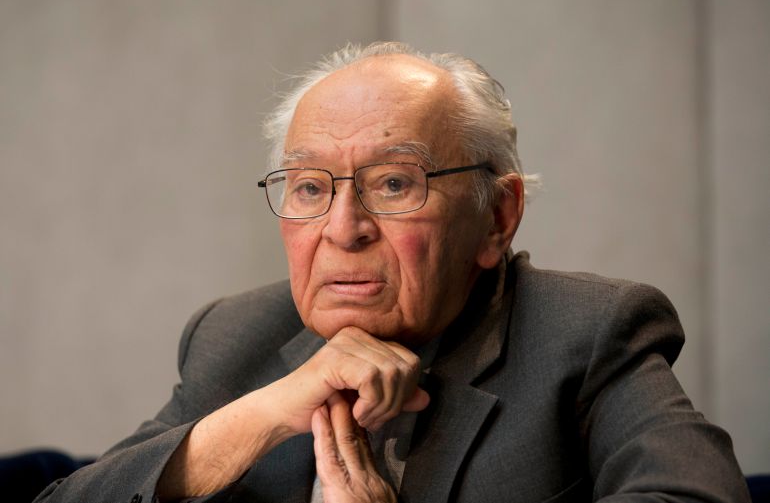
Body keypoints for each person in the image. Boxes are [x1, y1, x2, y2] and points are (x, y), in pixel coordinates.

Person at [35, 42, 749, 503]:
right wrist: (261, 414)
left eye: (395, 183)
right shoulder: (235, 335)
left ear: (497, 217)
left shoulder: (586, 334)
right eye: (311, 187)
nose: (344, 229)